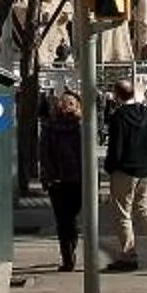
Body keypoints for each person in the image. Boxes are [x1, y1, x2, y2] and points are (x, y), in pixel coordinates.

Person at [103, 82, 147, 271]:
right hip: (146, 170)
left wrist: (110, 167)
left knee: (122, 213)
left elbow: (116, 147)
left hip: (125, 170)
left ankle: (128, 255)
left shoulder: (119, 117)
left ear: (117, 96)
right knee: (144, 208)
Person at [39, 89, 84, 271]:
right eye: (66, 104)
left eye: (70, 104)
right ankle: (68, 252)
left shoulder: (54, 126)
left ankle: (68, 252)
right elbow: (44, 155)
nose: (68, 107)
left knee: (66, 219)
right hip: (69, 179)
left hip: (66, 179)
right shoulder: (78, 127)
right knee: (68, 218)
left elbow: (44, 154)